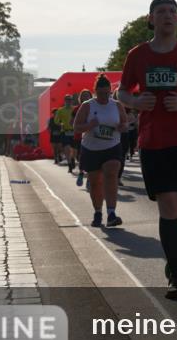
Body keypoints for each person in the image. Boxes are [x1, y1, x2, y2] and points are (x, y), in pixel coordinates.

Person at [119, 0, 177, 300]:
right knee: (170, 206)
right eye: (161, 11)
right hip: (153, 142)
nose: (168, 15)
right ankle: (176, 273)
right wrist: (135, 101)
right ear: (151, 18)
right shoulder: (138, 55)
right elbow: (123, 92)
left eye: (173, 11)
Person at [74, 75, 127, 227]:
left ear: (110, 91)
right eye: (101, 93)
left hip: (112, 147)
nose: (104, 96)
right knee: (95, 182)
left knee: (111, 174)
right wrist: (89, 125)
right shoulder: (87, 106)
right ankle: (98, 212)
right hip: (91, 148)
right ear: (95, 92)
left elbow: (124, 123)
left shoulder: (117, 105)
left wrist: (122, 127)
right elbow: (76, 127)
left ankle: (111, 213)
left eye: (107, 93)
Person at [73, 89, 92, 188]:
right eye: (84, 96)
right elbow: (72, 122)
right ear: (80, 98)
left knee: (90, 157)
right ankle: (81, 173)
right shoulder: (77, 109)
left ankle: (89, 178)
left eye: (87, 95)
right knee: (82, 156)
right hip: (79, 136)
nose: (86, 97)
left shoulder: (94, 106)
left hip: (91, 136)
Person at [53, 95, 77, 173]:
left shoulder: (75, 109)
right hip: (65, 131)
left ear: (72, 101)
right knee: (67, 148)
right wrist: (60, 123)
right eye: (67, 100)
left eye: (70, 100)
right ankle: (69, 164)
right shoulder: (60, 110)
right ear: (65, 101)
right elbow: (56, 120)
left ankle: (72, 159)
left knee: (74, 149)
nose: (68, 101)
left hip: (74, 131)